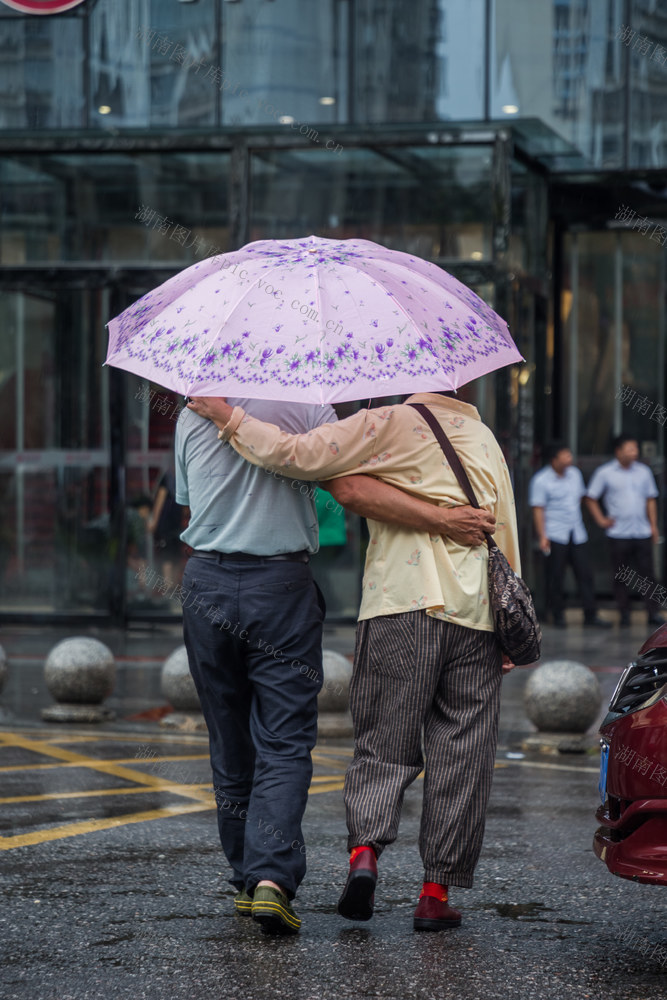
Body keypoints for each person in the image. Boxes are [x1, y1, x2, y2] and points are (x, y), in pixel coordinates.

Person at [187, 389, 520, 933]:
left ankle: (363, 856)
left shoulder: (384, 422)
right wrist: (509, 625)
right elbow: (503, 532)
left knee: (384, 743)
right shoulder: (485, 438)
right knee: (464, 755)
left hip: (400, 603)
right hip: (480, 614)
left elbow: (301, 460)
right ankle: (434, 895)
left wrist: (232, 418)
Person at [529, 441, 610, 629]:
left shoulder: (575, 475)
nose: (569, 459)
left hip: (577, 532)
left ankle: (590, 614)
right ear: (554, 459)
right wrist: (542, 536)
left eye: (569, 455)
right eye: (565, 456)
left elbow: (581, 499)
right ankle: (557, 615)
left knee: (585, 575)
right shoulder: (541, 480)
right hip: (555, 534)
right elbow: (538, 510)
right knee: (556, 576)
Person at [585, 434, 663, 628]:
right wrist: (602, 520)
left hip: (642, 531)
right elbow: (590, 497)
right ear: (618, 451)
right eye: (630, 448)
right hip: (618, 532)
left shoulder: (644, 472)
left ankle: (653, 613)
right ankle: (624, 613)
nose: (634, 452)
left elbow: (650, 499)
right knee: (621, 575)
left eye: (635, 448)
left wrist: (653, 525)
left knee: (648, 574)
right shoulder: (605, 472)